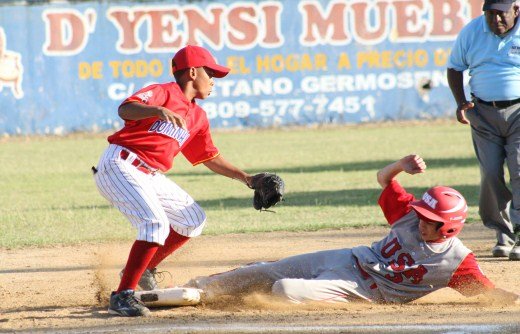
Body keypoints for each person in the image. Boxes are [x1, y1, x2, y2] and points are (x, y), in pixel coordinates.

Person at [186, 155, 520, 305]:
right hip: (350, 258)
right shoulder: (408, 215)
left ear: (448, 229)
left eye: (429, 218)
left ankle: (236, 299)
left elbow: (492, 296)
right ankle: (199, 290)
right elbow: (384, 179)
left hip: (363, 290)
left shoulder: (457, 261)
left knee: (284, 289)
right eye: (421, 211)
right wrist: (399, 166)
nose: (419, 218)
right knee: (270, 269)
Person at [93, 45, 256, 317]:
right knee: (154, 222)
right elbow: (126, 109)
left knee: (192, 218)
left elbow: (208, 157)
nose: (213, 81)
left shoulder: (198, 117)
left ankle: (142, 269)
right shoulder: (164, 92)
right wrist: (157, 110)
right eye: (211, 73)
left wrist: (247, 178)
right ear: (192, 72)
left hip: (149, 173)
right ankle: (122, 296)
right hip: (120, 163)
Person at [447, 0, 520, 260]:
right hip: (483, 113)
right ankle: (502, 233)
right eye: (489, 14)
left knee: (519, 169)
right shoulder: (472, 32)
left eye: (500, 14)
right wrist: (460, 102)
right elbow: (455, 67)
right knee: (490, 173)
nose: (495, 20)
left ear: (516, 10)